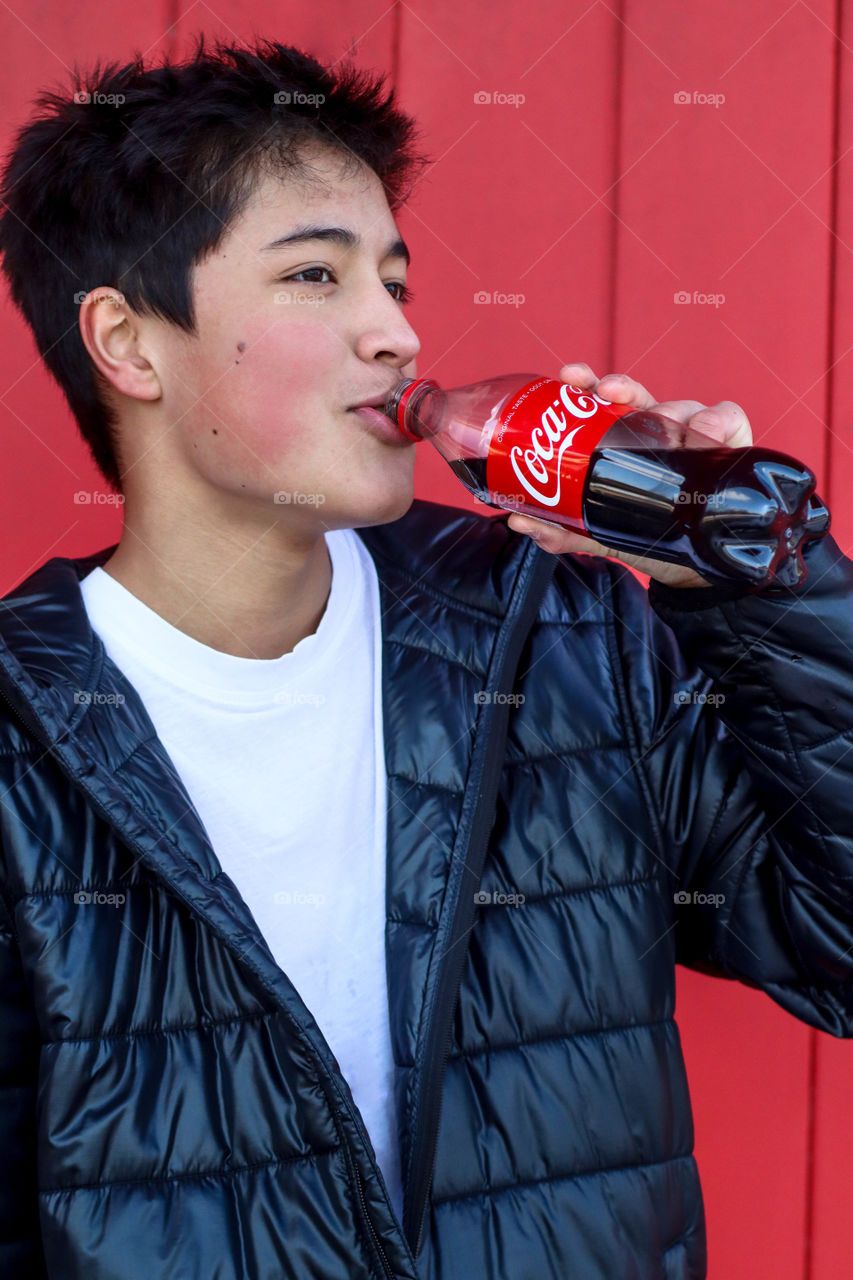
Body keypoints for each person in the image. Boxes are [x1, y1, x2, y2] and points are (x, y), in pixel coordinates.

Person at [0, 34, 850, 1280]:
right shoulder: (25, 738)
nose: (394, 332)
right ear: (128, 344)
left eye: (393, 280)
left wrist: (757, 595)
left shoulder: (557, 636)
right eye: (315, 277)